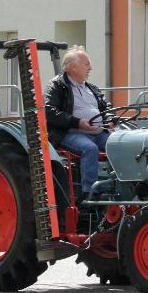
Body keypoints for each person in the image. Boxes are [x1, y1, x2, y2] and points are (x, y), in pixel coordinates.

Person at [44, 46, 110, 202]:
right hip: (70, 133)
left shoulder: (91, 88)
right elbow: (49, 111)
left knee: (118, 145)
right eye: (86, 64)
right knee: (89, 148)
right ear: (73, 67)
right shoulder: (57, 86)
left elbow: (105, 108)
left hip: (98, 132)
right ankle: (89, 194)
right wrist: (78, 123)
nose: (91, 68)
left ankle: (117, 186)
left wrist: (110, 120)